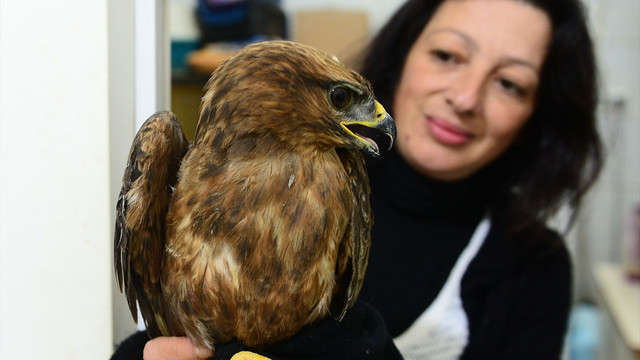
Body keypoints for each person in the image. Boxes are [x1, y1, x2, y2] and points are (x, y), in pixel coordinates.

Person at [112, 0, 603, 359]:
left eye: (509, 84)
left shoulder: (535, 268)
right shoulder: (191, 164)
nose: (466, 97)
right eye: (449, 56)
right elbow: (162, 326)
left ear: (537, 118)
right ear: (403, 55)